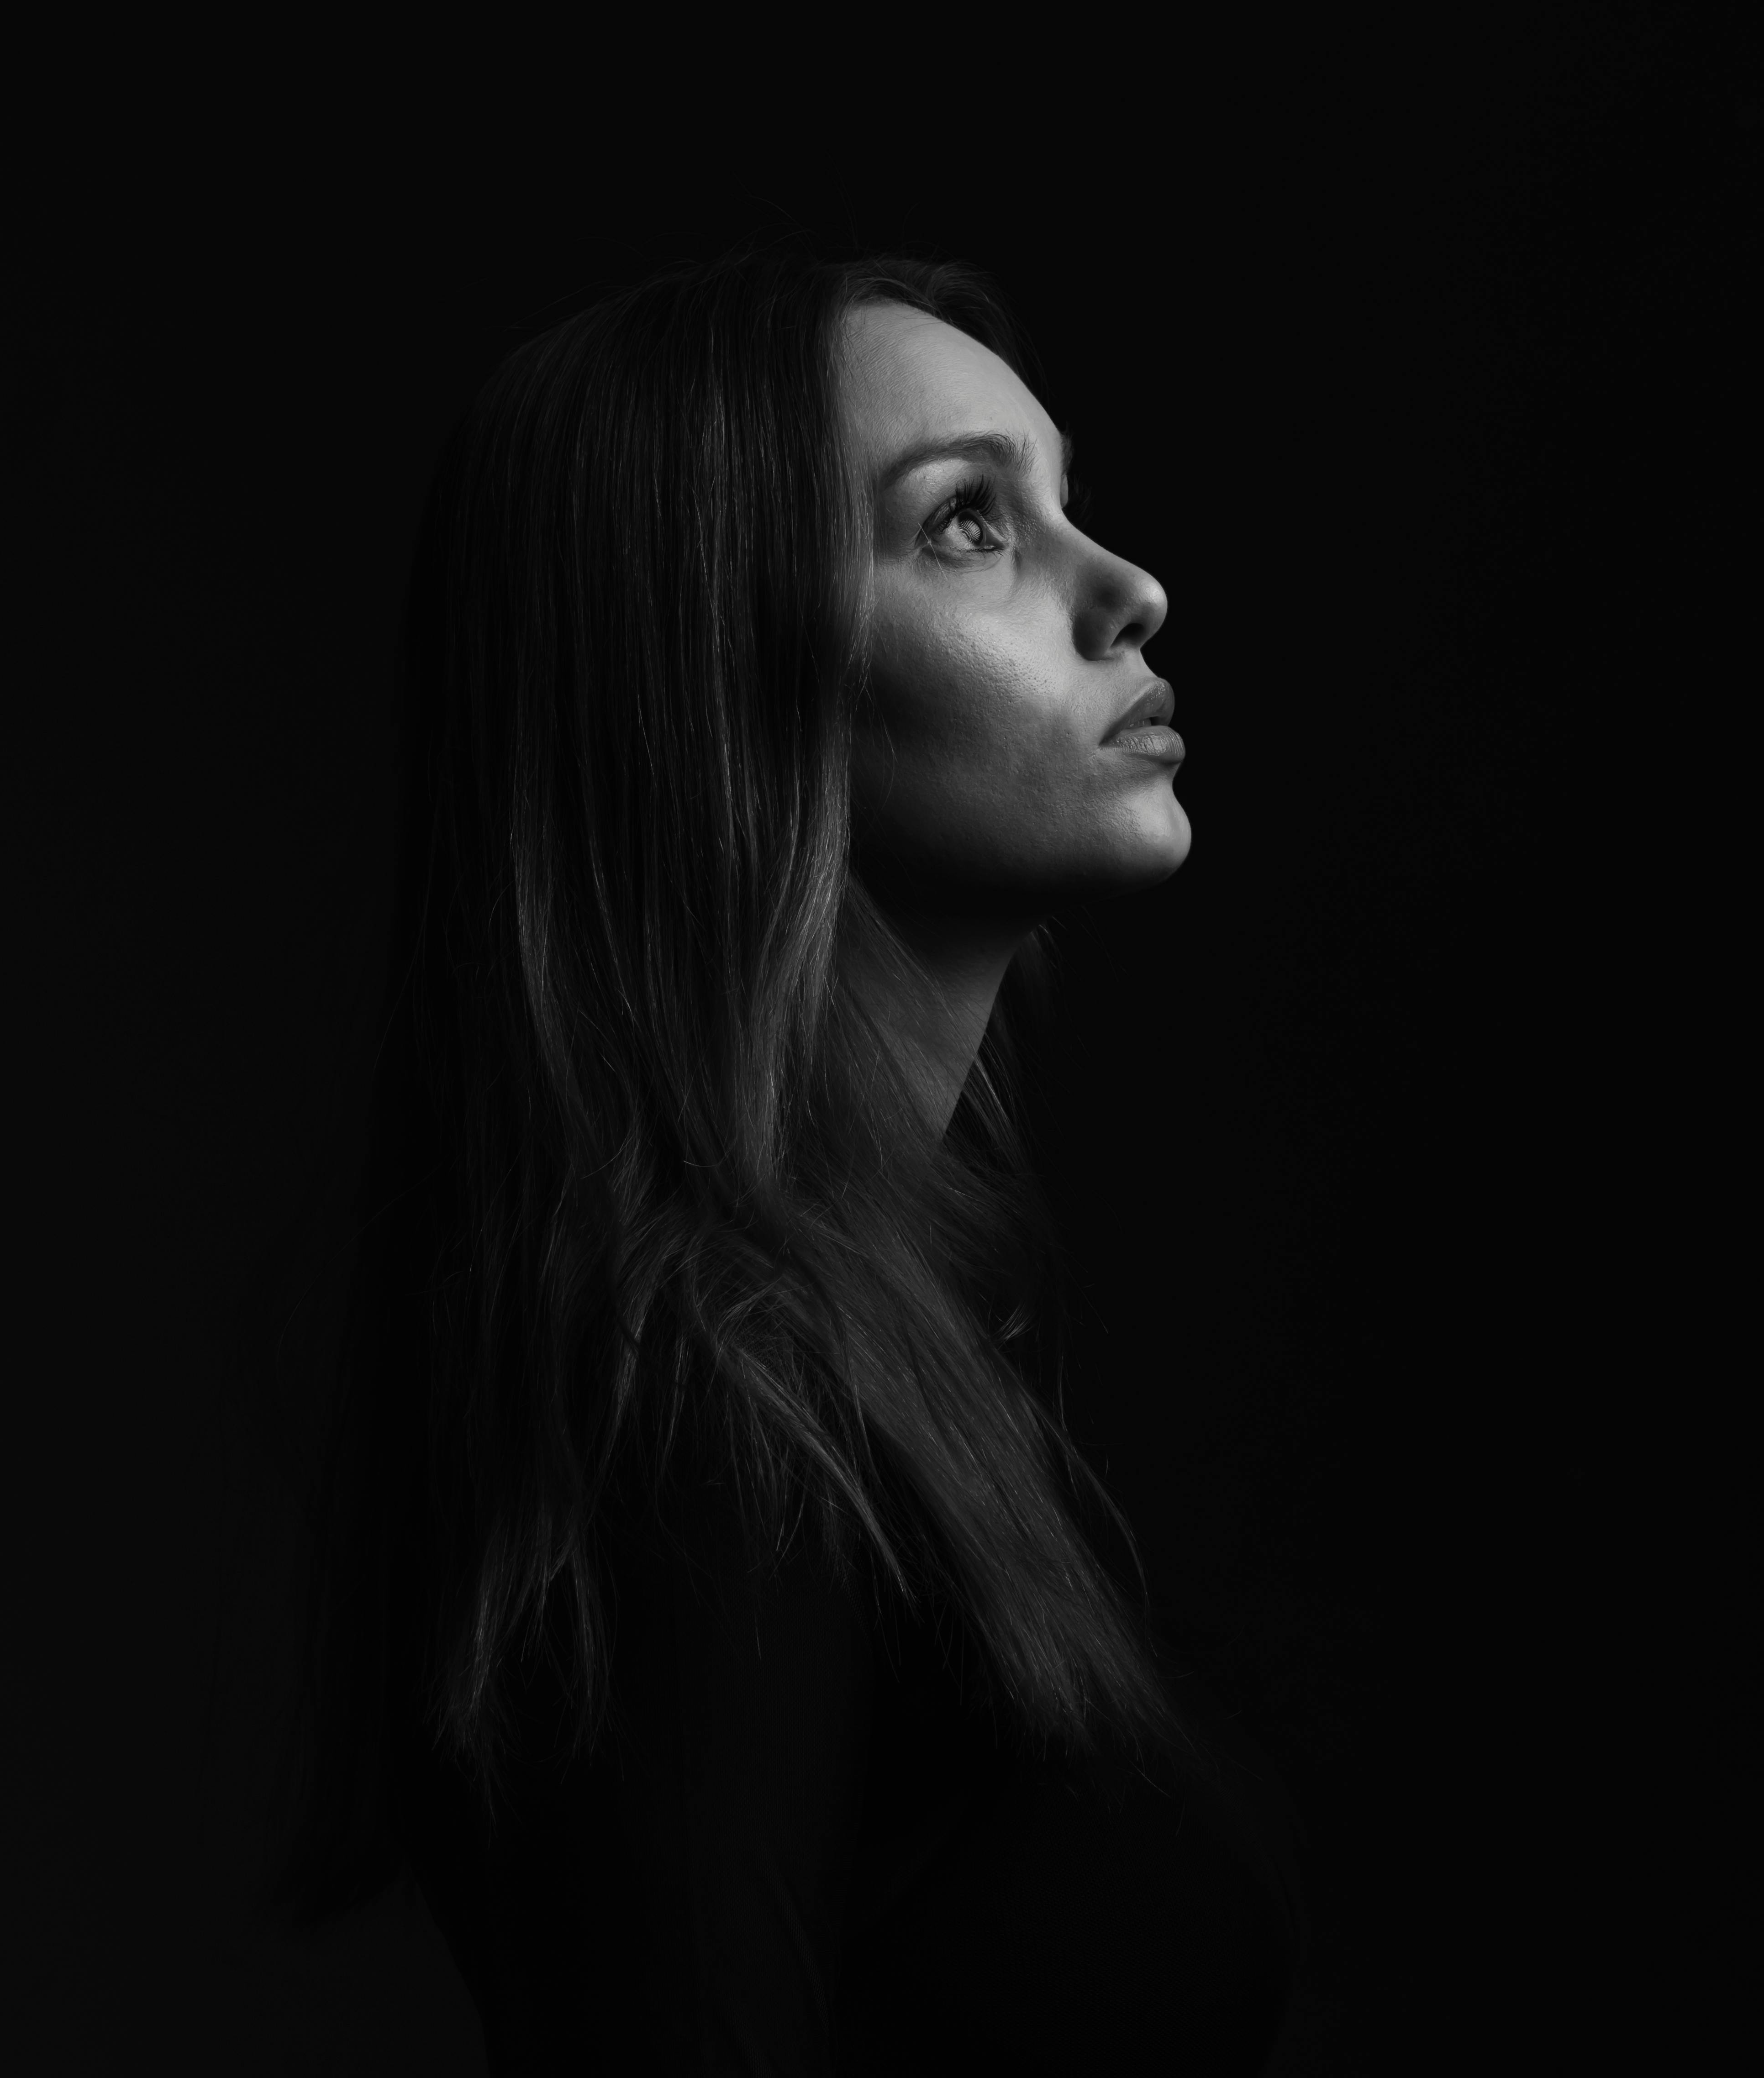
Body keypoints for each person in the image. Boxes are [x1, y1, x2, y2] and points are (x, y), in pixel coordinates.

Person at [273, 242, 1305, 2073]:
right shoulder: (714, 1401)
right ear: (711, 673)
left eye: (1065, 500)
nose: (1130, 588)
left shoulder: (880, 1361)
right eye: (967, 526)